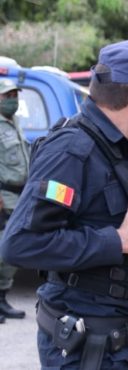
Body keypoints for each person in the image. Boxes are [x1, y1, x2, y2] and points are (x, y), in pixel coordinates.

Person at [0, 39, 128, 368]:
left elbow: (99, 212)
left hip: (120, 346)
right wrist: (119, 241)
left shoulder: (115, 147)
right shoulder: (72, 150)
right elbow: (20, 244)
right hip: (89, 351)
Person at [0, 79, 29, 323]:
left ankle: (2, 298)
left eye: (14, 96)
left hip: (19, 196)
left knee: (11, 251)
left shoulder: (14, 123)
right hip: (3, 196)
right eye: (7, 96)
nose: (12, 101)